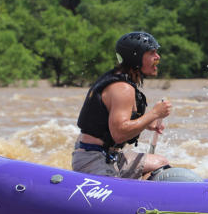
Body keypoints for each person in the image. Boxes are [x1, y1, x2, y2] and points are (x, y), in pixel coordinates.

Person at [73, 30, 174, 179]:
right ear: (137, 57)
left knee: (160, 163)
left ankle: (147, 197)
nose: (157, 57)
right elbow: (119, 134)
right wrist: (155, 114)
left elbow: (111, 120)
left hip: (111, 155)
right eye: (152, 52)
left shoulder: (122, 81)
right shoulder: (122, 88)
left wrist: (147, 123)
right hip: (93, 159)